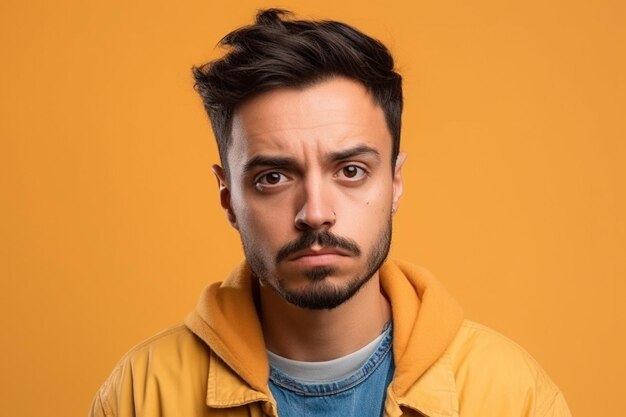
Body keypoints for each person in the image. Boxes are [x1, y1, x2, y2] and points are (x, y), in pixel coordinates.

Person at [90, 9, 571, 417]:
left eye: (351, 170)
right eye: (273, 177)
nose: (316, 213)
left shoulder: (511, 395)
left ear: (395, 182)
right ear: (228, 198)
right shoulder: (141, 393)